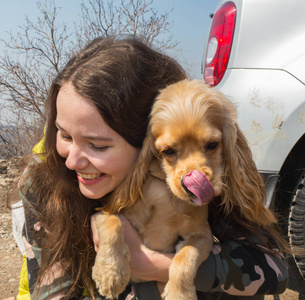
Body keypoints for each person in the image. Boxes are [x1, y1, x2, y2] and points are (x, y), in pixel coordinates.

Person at [18, 35, 288, 300]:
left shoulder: (198, 166)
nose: (71, 160)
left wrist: (156, 267)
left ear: (148, 148)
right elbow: (53, 292)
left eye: (97, 146)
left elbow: (274, 269)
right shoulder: (44, 180)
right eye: (64, 135)